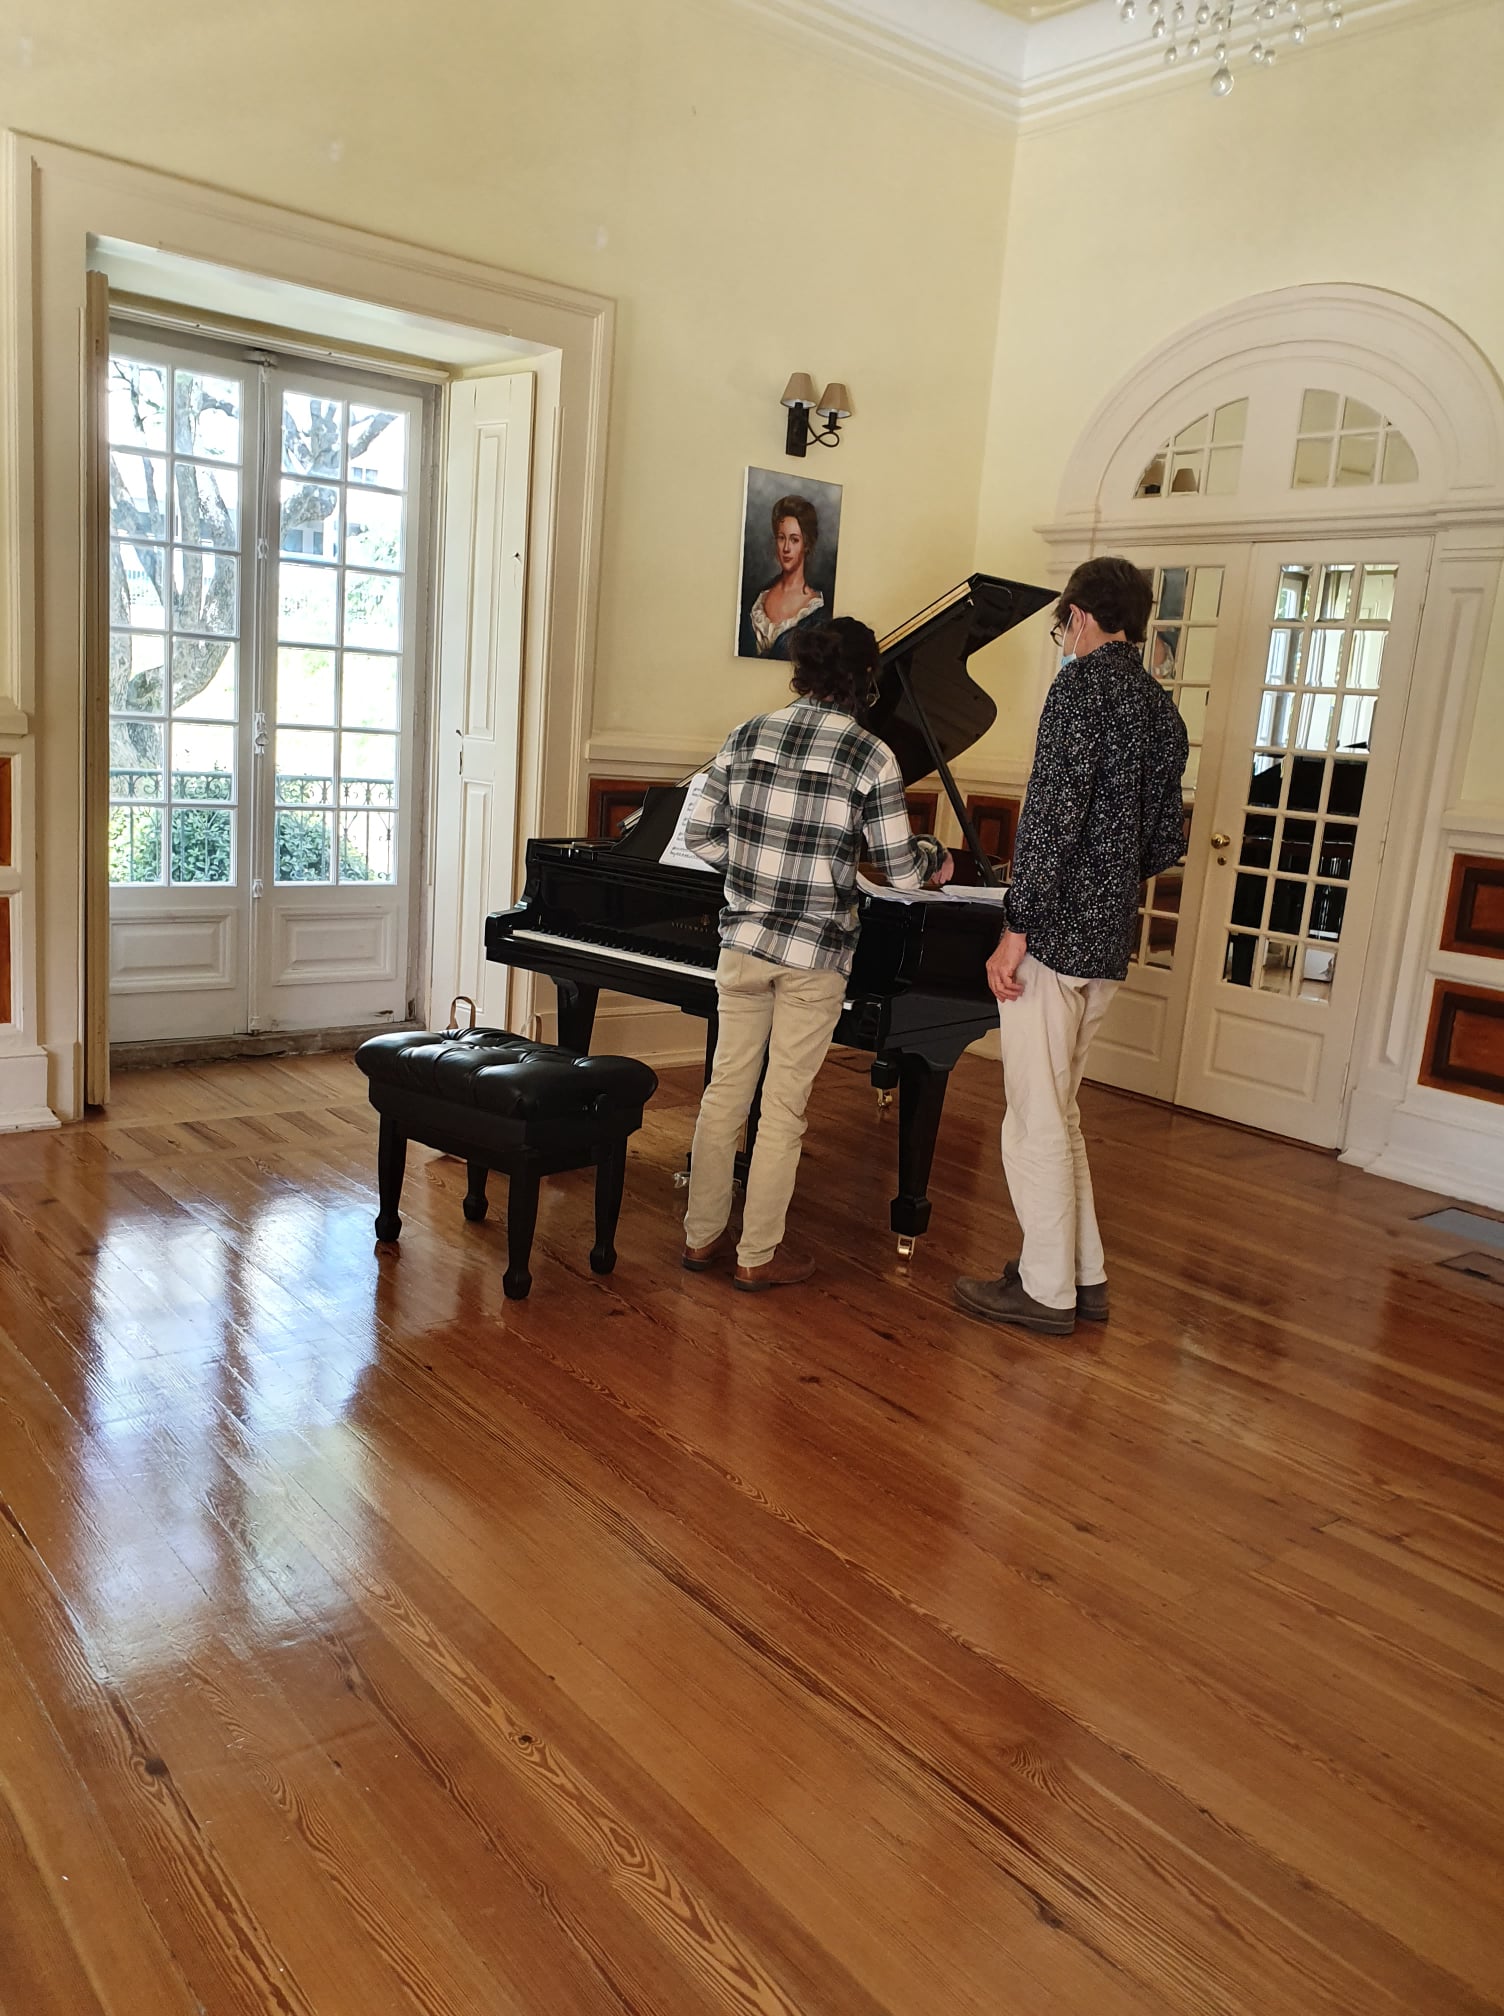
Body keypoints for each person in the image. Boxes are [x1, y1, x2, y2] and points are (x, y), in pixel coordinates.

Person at [955, 556, 1188, 1337]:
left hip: (1053, 938)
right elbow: (1165, 841)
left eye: (1063, 625)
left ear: (1081, 617)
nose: (1063, 638)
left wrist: (1014, 932)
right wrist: (1109, 879)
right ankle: (1082, 1278)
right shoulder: (1161, 709)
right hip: (1110, 935)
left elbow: (1050, 824)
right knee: (1061, 1112)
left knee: (1034, 1119)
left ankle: (1046, 1289)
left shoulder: (1078, 690)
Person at [682, 617, 952, 1290]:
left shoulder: (746, 735)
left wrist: (751, 876)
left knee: (724, 1094)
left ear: (800, 670)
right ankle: (757, 1255)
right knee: (783, 1108)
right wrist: (934, 855)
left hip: (743, 943)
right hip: (815, 954)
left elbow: (699, 835)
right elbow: (903, 872)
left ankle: (700, 1237)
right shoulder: (871, 754)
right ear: (866, 679)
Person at [740, 495, 828, 659]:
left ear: (806, 545)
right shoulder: (758, 597)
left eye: (794, 540)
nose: (786, 548)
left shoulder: (817, 610)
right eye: (781, 538)